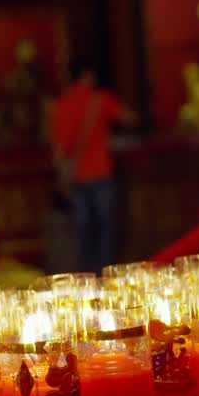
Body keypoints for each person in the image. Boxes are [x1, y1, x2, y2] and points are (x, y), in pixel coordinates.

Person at [49, 57, 136, 273]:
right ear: (88, 76)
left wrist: (62, 177)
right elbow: (129, 118)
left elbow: (59, 150)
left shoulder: (63, 105)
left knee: (83, 232)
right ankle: (106, 274)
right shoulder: (100, 100)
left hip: (78, 177)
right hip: (101, 173)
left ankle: (86, 276)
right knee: (106, 229)